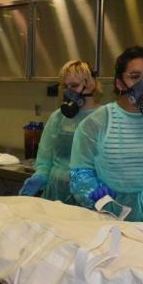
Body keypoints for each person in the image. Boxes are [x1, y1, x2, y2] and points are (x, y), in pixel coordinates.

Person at [69, 46, 143, 228]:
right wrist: (93, 191)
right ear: (119, 83)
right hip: (109, 220)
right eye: (134, 77)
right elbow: (80, 172)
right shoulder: (96, 123)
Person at [19, 59, 102, 202]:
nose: (69, 92)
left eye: (74, 86)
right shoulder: (58, 117)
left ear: (91, 84)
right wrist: (40, 175)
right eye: (65, 86)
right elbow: (45, 158)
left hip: (90, 195)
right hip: (55, 193)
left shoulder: (103, 118)